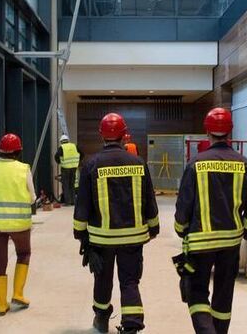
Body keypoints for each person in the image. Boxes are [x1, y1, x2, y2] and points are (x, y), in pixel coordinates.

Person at [174, 108, 247, 334]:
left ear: (207, 131)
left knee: (197, 290)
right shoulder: (245, 164)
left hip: (200, 242)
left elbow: (184, 203)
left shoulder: (195, 163)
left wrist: (181, 229)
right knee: (224, 292)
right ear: (230, 132)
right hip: (231, 242)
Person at [74, 113, 160, 334]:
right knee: (130, 280)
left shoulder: (91, 164)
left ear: (101, 135)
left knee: (103, 278)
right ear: (124, 135)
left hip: (101, 238)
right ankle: (131, 325)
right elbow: (149, 198)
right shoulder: (138, 163)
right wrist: (154, 227)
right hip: (133, 237)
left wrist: (81, 235)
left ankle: (101, 319)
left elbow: (82, 204)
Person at [0, 133, 36, 316]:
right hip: (19, 224)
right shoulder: (23, 169)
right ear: (18, 151)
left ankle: (1, 305)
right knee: (23, 253)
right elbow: (33, 197)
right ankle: (18, 293)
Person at [54, 134, 84, 205]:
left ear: (61, 141)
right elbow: (82, 154)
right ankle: (73, 201)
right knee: (72, 184)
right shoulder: (74, 146)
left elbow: (56, 156)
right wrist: (78, 162)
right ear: (68, 140)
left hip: (65, 168)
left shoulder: (61, 148)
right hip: (74, 168)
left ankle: (67, 202)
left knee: (66, 185)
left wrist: (60, 162)